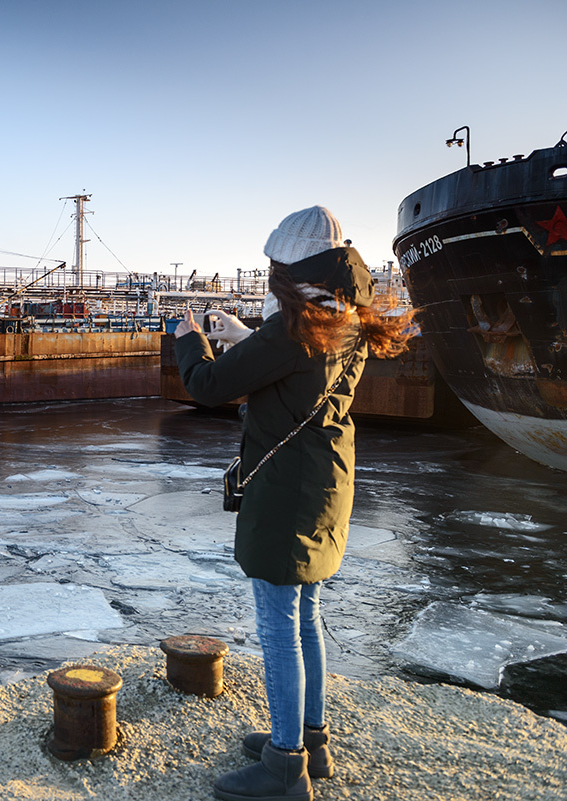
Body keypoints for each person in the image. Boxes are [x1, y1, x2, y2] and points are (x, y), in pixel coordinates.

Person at [172, 206, 412, 801]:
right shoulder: (344, 316)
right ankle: (311, 740)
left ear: (292, 267)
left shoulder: (294, 328)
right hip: (327, 480)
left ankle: (285, 764)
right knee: (307, 616)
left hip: (285, 489)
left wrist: (190, 340)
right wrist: (246, 338)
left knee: (279, 625)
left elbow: (206, 386)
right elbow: (301, 371)